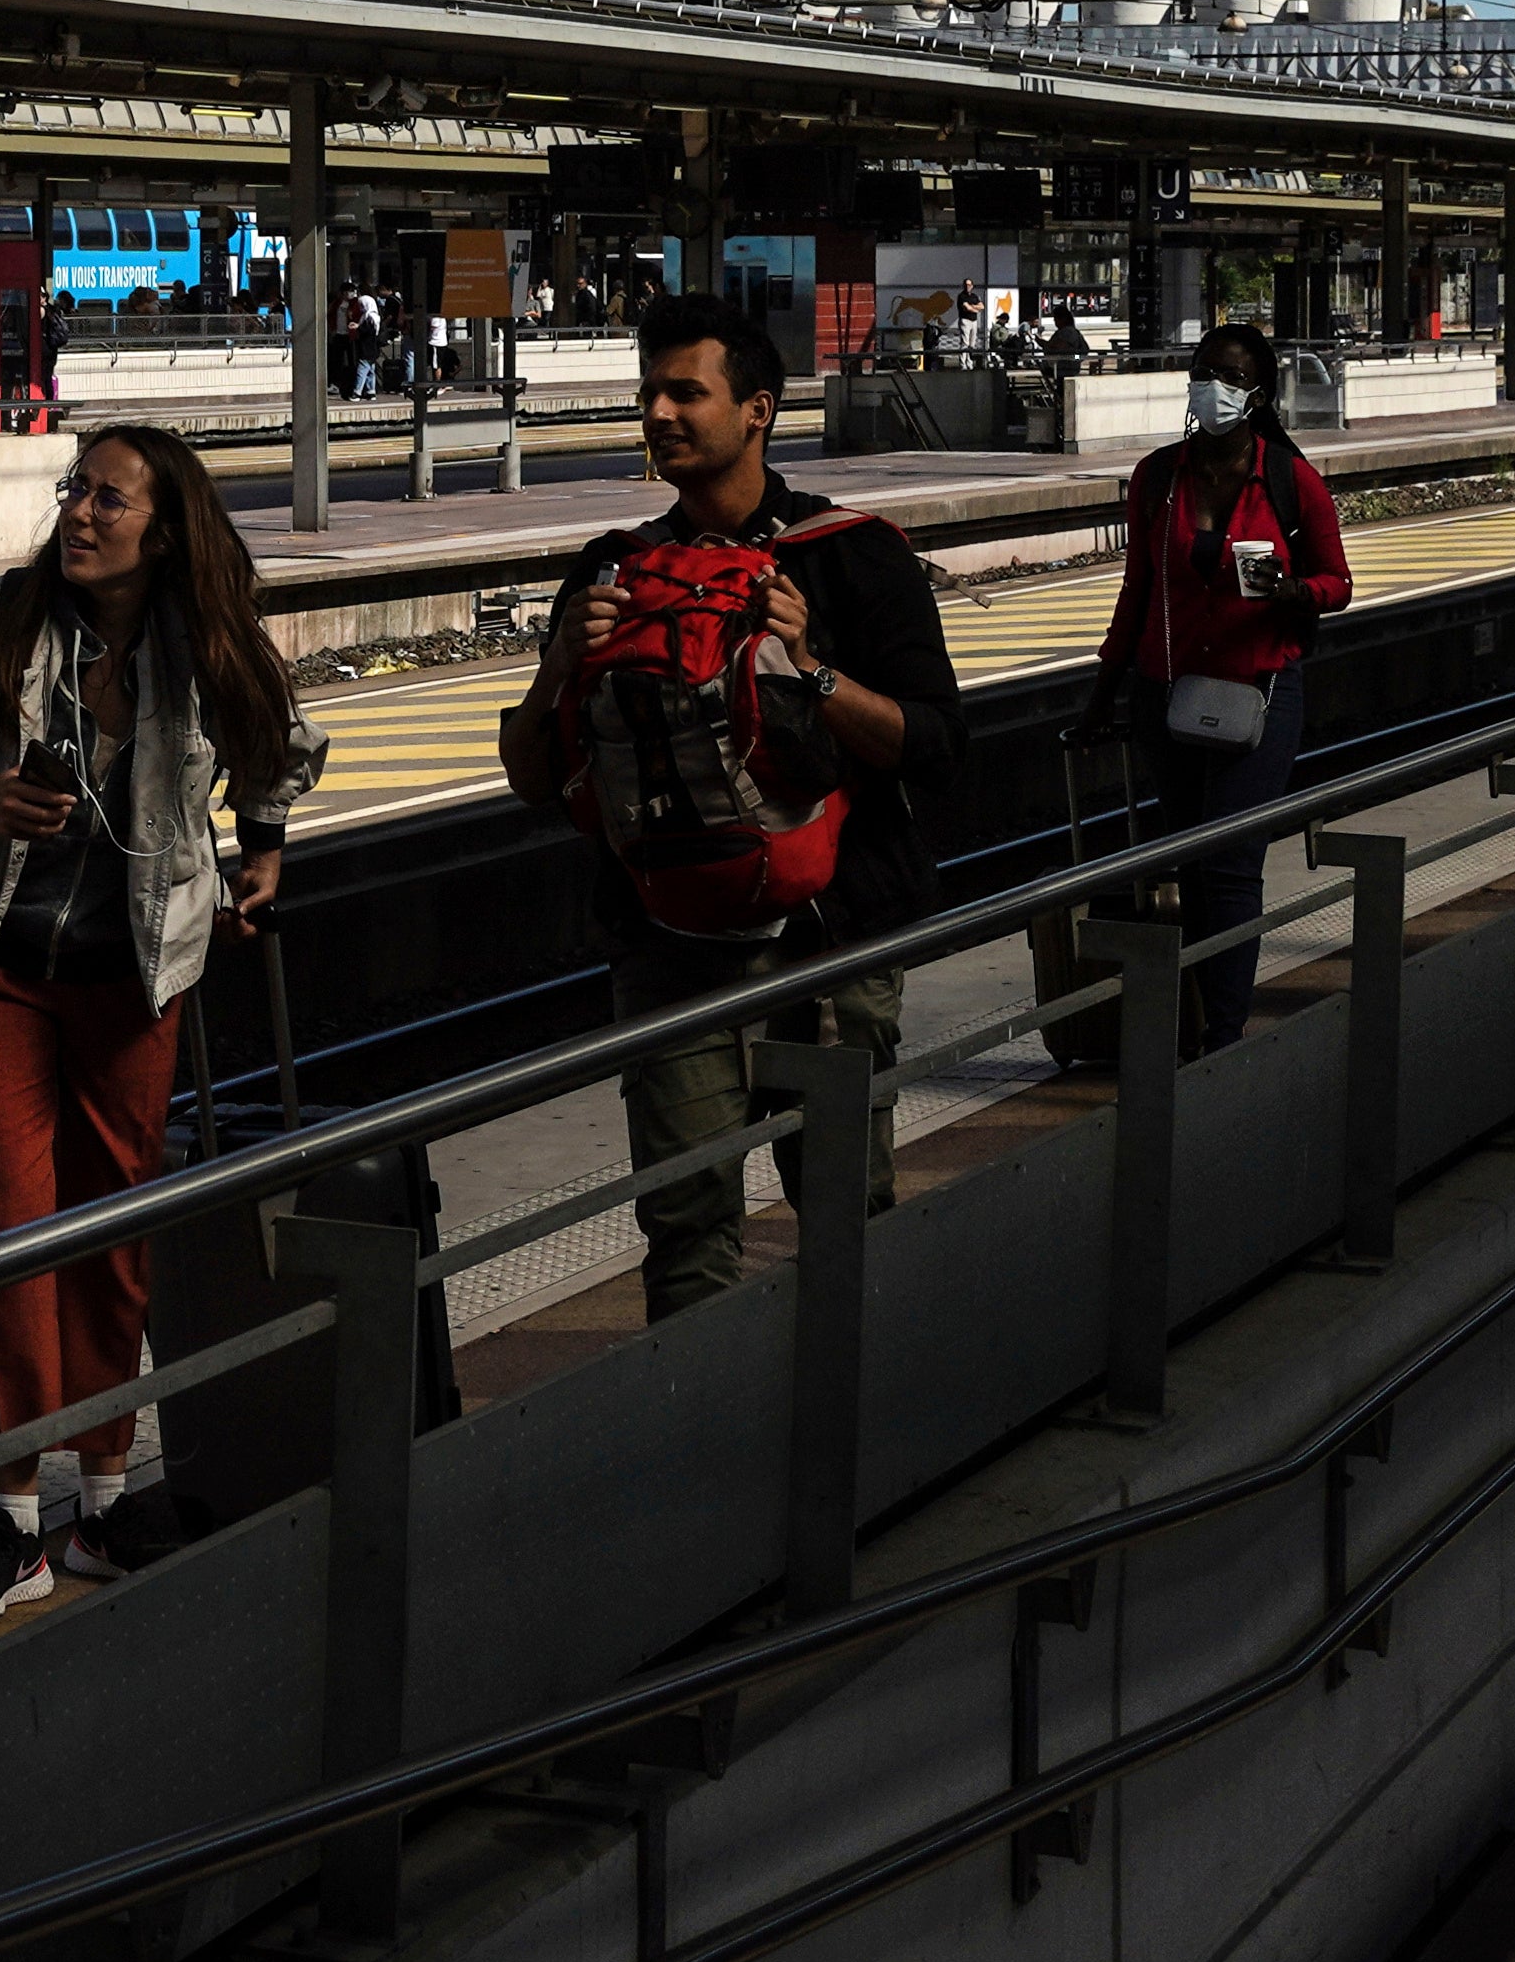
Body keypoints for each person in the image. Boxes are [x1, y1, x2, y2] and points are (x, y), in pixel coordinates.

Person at [0, 426, 320, 1619]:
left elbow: (277, 739)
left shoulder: (204, 639)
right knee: (4, 1228)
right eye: (75, 492)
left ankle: (104, 1494)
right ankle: (12, 1518)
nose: (81, 514)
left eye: (109, 499)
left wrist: (262, 842)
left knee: (115, 1226)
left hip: (138, 972)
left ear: (165, 528)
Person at [497, 293, 964, 1321]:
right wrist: (560, 665)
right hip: (669, 947)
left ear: (757, 409)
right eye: (649, 393)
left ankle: (852, 1433)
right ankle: (707, 1449)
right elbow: (535, 777)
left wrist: (814, 671)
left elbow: (935, 741)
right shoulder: (613, 569)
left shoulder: (851, 554)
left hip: (831, 940)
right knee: (685, 1222)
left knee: (847, 1206)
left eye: (685, 391)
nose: (659, 412)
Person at [1078, 322, 1356, 1057]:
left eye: (1229, 376)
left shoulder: (1290, 481)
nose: (1212, 386)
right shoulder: (1158, 477)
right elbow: (1137, 589)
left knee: (1230, 864)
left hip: (1258, 691)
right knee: (1189, 860)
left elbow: (1340, 582)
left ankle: (1224, 1039)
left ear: (1257, 395)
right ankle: (1196, 1017)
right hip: (1165, 691)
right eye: (1204, 371)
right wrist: (1105, 689)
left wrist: (1299, 592)